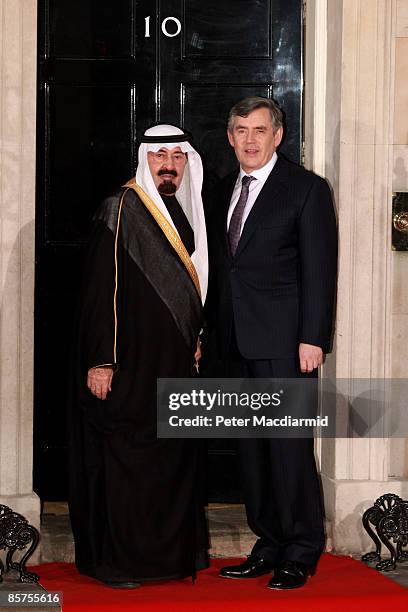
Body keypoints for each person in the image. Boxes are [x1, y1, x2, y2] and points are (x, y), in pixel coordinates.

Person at [68, 124, 209, 588]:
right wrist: (101, 359)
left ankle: (169, 558)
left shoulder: (186, 213)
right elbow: (99, 289)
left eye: (177, 156)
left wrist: (196, 335)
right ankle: (122, 563)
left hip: (176, 362)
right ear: (144, 159)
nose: (168, 165)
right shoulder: (121, 207)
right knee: (130, 460)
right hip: (129, 362)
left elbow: (196, 286)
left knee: (171, 459)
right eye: (159, 156)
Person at [207, 97, 337, 589]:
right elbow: (220, 270)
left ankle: (301, 548)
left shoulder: (306, 189)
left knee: (288, 448)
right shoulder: (221, 191)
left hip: (287, 345)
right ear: (230, 136)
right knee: (252, 449)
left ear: (278, 135)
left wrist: (312, 338)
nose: (250, 140)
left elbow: (320, 270)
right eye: (241, 130)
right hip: (235, 341)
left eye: (260, 130)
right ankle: (268, 542)